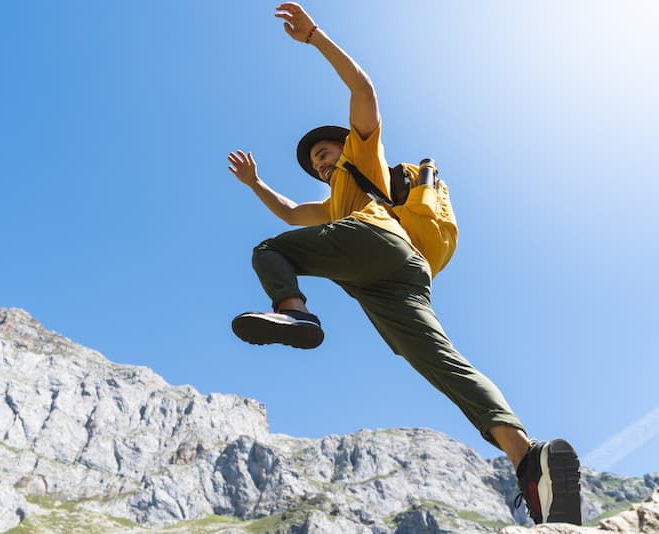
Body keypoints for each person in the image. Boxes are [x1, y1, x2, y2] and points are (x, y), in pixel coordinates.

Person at [227, 2, 582, 526]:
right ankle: (528, 459)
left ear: (344, 145)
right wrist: (256, 183)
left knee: (267, 251)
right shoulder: (331, 204)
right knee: (441, 365)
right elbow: (289, 210)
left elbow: (364, 94)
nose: (323, 162)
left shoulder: (361, 159)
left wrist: (315, 37)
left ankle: (297, 313)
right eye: (316, 161)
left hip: (378, 243)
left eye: (326, 152)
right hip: (397, 281)